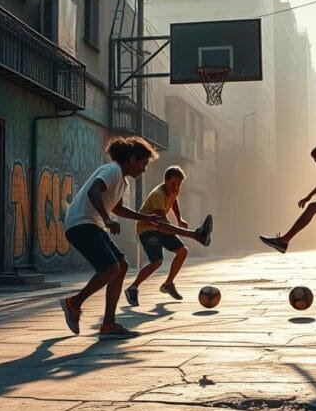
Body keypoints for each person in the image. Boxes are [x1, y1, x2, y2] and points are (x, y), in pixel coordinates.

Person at [59, 136, 166, 340]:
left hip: (91, 225)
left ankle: (108, 324)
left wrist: (146, 218)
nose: (144, 170)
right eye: (143, 164)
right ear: (132, 159)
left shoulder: (122, 182)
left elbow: (119, 209)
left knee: (121, 266)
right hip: (81, 225)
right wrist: (107, 219)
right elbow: (94, 191)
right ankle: (74, 303)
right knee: (111, 269)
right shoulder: (113, 170)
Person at [125, 166, 213, 306]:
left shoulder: (173, 190)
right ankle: (132, 288)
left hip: (159, 226)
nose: (176, 187)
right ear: (165, 181)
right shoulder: (158, 194)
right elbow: (163, 225)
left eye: (179, 184)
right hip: (147, 229)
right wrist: (190, 234)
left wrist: (179, 218)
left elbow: (174, 200)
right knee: (157, 261)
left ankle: (168, 284)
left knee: (182, 251)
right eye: (173, 184)